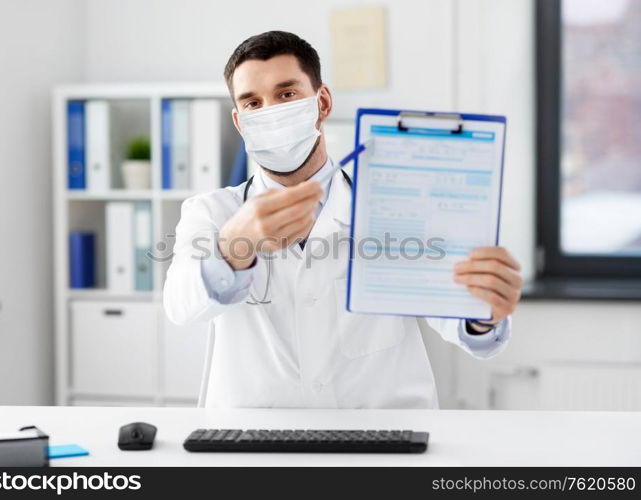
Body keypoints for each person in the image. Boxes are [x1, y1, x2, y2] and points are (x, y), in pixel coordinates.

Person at [163, 31, 522, 408]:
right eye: (253, 103)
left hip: (381, 439)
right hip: (256, 444)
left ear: (323, 102)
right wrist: (234, 247)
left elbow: (462, 322)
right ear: (239, 122)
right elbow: (181, 306)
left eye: (286, 95)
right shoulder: (211, 212)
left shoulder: (395, 207)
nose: (270, 112)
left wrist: (484, 312)